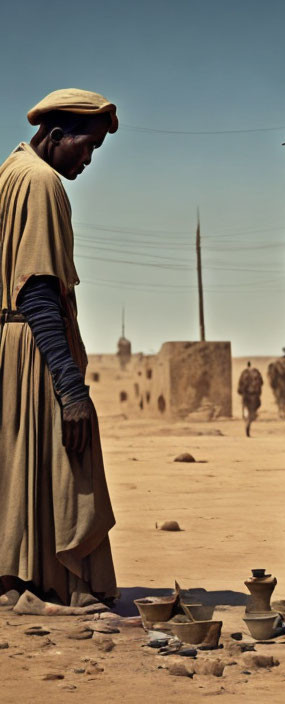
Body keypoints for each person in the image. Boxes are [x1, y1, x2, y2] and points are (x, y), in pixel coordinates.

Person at [0, 89, 119, 607]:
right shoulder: (42, 182)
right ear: (55, 136)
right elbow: (37, 287)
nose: (89, 159)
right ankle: (64, 581)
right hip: (34, 344)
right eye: (86, 146)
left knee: (22, 462)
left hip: (12, 342)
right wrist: (71, 388)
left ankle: (21, 579)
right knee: (67, 454)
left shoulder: (8, 172)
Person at [237, 361, 263, 436]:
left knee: (246, 409)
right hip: (254, 395)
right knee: (252, 411)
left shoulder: (244, 373)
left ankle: (247, 422)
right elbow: (261, 382)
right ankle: (248, 423)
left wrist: (241, 392)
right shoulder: (256, 373)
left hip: (246, 395)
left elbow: (240, 384)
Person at [266, 348, 285, 419]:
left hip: (278, 385)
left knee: (279, 399)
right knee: (283, 398)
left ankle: (281, 413)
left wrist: (273, 385)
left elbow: (272, 376)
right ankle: (283, 413)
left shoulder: (275, 364)